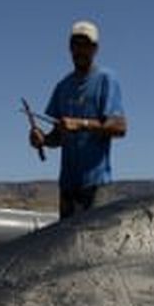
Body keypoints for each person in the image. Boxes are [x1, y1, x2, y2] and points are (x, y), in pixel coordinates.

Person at [29, 20, 127, 218]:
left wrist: (81, 124)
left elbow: (120, 127)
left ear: (95, 49)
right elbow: (58, 135)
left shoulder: (106, 79)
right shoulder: (62, 86)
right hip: (67, 186)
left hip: (96, 186)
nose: (80, 50)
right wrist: (43, 140)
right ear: (69, 47)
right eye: (75, 45)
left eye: (85, 45)